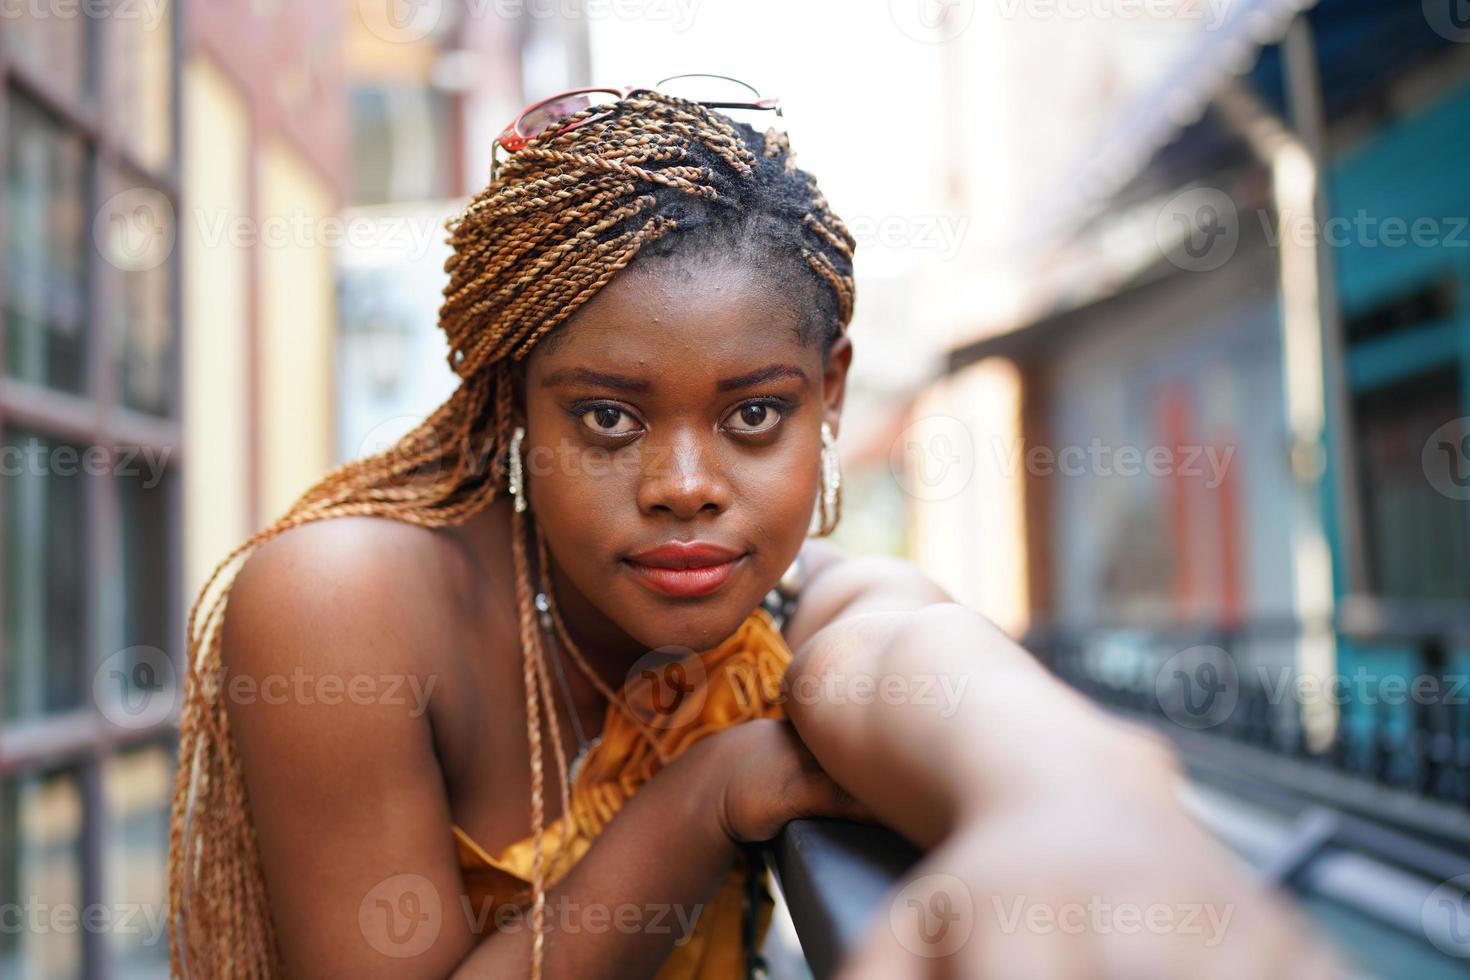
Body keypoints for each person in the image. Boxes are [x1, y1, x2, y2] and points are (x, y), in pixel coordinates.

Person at [167, 85, 1347, 979]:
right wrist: (706, 796)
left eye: (754, 414)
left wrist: (1079, 808)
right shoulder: (344, 602)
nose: (687, 484)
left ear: (829, 396)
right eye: (609, 416)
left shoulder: (787, 612)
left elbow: (902, 650)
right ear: (511, 402)